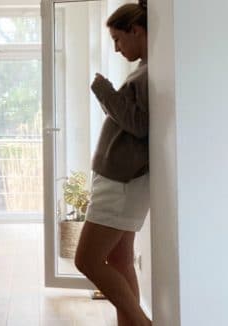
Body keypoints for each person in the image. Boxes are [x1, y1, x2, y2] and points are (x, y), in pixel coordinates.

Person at [74, 2, 150, 326]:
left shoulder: (147, 73)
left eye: (119, 39)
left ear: (136, 30)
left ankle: (142, 323)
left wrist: (103, 91)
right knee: (120, 261)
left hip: (121, 184)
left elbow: (139, 124)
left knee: (86, 261)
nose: (117, 48)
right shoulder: (146, 69)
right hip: (122, 181)